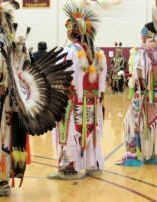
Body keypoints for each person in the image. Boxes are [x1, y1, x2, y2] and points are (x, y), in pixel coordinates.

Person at [0, 0, 73, 196]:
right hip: (14, 104)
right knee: (8, 140)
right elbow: (29, 65)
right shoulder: (14, 42)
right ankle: (2, 182)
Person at [48, 1, 107, 179]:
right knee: (90, 131)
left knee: (69, 133)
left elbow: (64, 79)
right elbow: (102, 83)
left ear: (71, 31)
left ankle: (68, 168)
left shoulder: (70, 51)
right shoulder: (98, 52)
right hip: (91, 102)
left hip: (71, 101)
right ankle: (93, 163)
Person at [116, 11, 157, 166]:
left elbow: (140, 73)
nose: (141, 36)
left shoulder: (144, 50)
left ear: (148, 34)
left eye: (142, 33)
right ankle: (154, 154)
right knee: (156, 124)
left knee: (134, 123)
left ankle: (134, 155)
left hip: (145, 94)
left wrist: (138, 86)